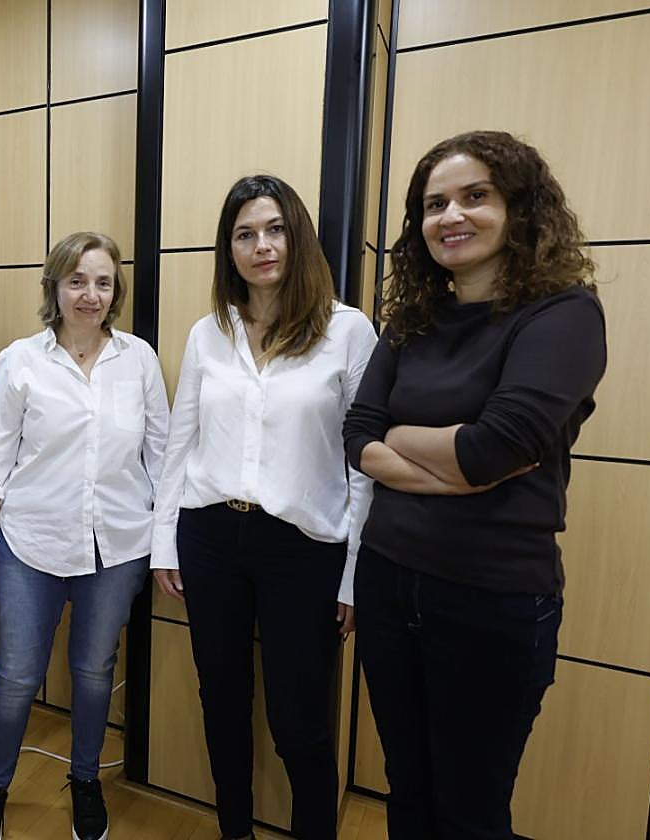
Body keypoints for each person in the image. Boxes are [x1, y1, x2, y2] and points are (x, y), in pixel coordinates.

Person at [342, 130, 607, 840]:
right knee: (409, 788)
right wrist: (448, 461)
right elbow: (358, 437)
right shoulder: (409, 322)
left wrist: (408, 442)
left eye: (474, 196)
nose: (451, 216)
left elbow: (499, 448)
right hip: (390, 582)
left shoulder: (563, 315)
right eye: (434, 204)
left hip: (493, 599)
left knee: (471, 807)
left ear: (519, 208)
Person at [152, 174, 377, 840]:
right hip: (211, 535)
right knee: (220, 701)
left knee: (297, 717)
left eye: (274, 228)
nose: (262, 245)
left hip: (304, 546)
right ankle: (235, 831)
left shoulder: (347, 331)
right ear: (229, 250)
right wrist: (166, 540)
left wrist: (353, 574)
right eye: (245, 234)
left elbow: (362, 463)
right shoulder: (209, 332)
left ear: (297, 234)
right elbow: (179, 442)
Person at [0, 231, 169, 840]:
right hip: (31, 541)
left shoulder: (139, 359)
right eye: (77, 280)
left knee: (92, 670)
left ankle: (84, 781)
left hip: (118, 544)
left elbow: (161, 456)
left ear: (116, 290)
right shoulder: (21, 360)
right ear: (54, 286)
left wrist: (169, 543)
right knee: (17, 676)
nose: (90, 294)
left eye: (103, 282)